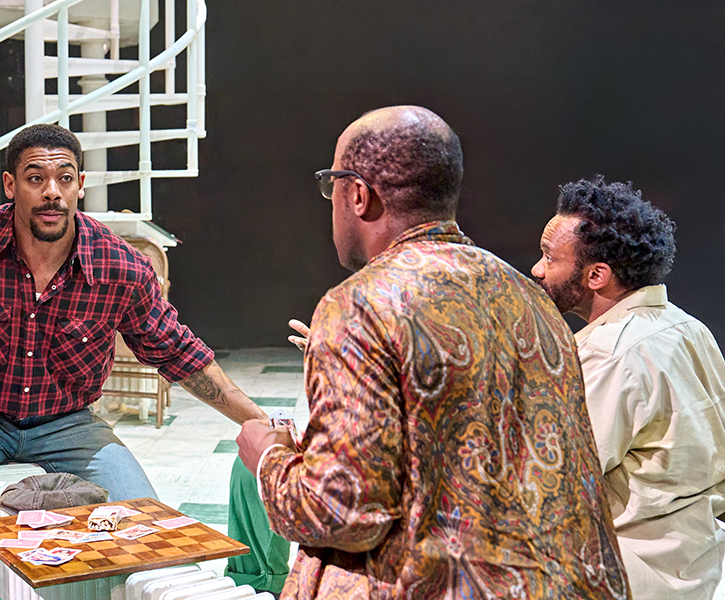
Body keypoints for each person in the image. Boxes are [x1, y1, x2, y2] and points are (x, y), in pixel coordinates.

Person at [236, 106, 630, 598]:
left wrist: (269, 458)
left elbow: (342, 513)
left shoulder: (358, 306)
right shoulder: (532, 301)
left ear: (357, 194)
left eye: (330, 185)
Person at [0, 123, 268, 535]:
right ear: (10, 185)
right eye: (35, 179)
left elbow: (178, 354)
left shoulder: (119, 266)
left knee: (144, 524)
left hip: (68, 422)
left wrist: (262, 422)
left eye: (64, 178)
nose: (52, 191)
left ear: (80, 185)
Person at [531, 176, 725, 600]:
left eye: (549, 257)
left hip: (630, 577)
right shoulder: (691, 329)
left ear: (597, 275)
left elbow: (551, 480)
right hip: (702, 570)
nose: (537, 269)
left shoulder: (607, 353)